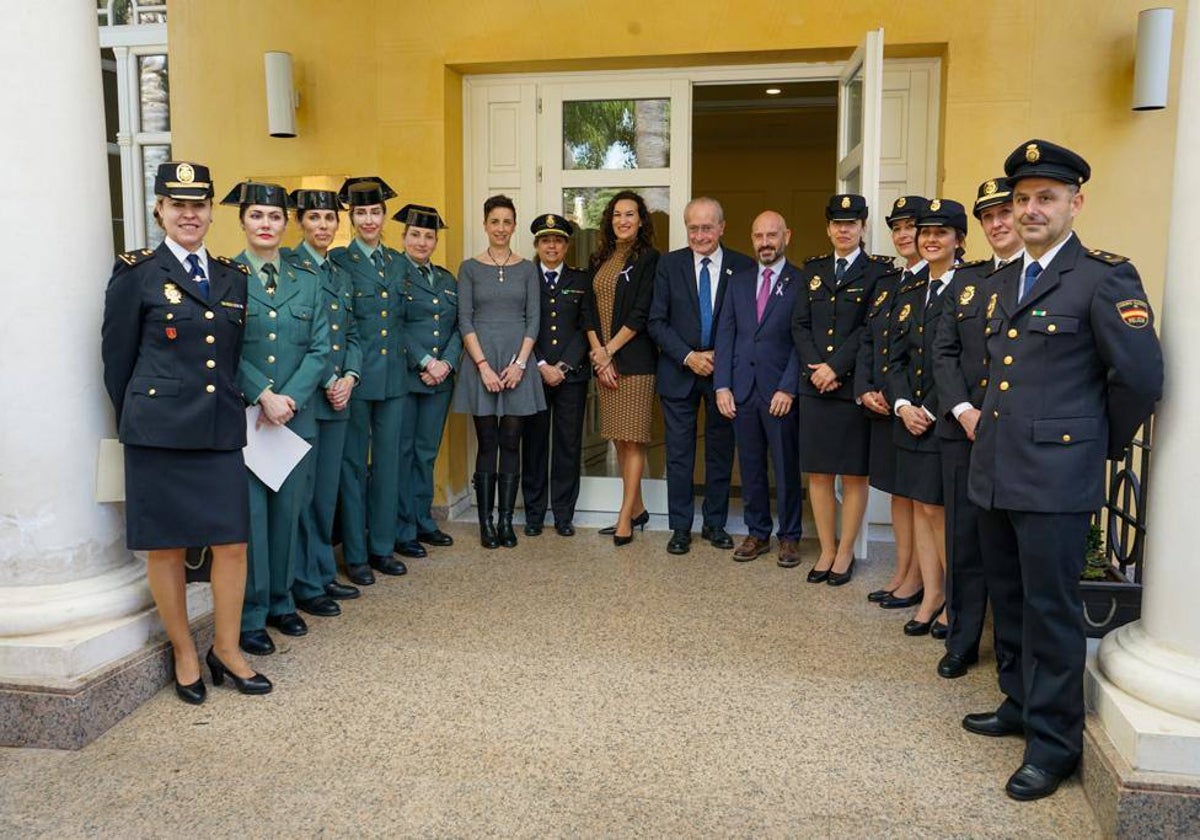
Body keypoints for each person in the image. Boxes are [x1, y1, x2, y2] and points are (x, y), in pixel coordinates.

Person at [964, 140, 1162, 801]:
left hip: (1056, 475)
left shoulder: (1103, 278)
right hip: (996, 468)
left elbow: (1138, 376)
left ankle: (1053, 744)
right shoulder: (1003, 279)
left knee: (1051, 610)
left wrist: (1094, 444)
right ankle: (1020, 704)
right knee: (1010, 599)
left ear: (1076, 203)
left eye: (1045, 198)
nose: (1029, 210)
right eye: (1021, 199)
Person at [102, 161, 271, 702]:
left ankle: (226, 648)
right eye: (178, 205)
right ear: (159, 209)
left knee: (233, 544)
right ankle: (183, 652)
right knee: (167, 549)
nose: (189, 215)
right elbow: (116, 364)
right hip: (157, 432)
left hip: (219, 426)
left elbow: (229, 358)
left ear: (210, 211)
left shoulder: (232, 276)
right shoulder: (136, 274)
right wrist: (138, 422)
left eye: (198, 205)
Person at [225, 181, 329, 655]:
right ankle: (250, 613)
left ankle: (282, 602)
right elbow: (222, 349)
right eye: (257, 217)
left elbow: (321, 348)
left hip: (294, 418)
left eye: (274, 217)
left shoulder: (307, 279)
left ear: (286, 224)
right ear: (243, 222)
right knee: (252, 517)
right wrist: (262, 395)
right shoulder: (226, 277)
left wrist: (288, 398)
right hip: (248, 419)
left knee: (289, 512)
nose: (266, 225)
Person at [931, 179, 1024, 678]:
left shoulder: (1035, 277)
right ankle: (963, 639)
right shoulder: (965, 282)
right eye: (988, 217)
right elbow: (942, 350)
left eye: (1004, 212)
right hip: (962, 432)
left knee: (1009, 548)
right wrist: (964, 411)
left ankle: (1013, 652)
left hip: (1013, 439)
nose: (998, 223)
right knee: (963, 541)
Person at [792, 194, 896, 584]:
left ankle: (847, 551)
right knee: (818, 474)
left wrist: (835, 367)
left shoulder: (878, 274)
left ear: (863, 227)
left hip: (851, 386)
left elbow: (870, 328)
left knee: (854, 475)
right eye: (837, 223)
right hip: (815, 386)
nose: (844, 229)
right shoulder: (813, 270)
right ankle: (827, 549)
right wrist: (816, 368)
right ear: (828, 227)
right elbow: (799, 324)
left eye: (851, 223)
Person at [887, 199, 975, 639]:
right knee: (922, 507)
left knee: (942, 513)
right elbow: (895, 357)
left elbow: (961, 360)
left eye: (942, 232)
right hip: (913, 419)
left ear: (959, 239)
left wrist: (932, 407)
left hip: (947, 420)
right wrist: (902, 405)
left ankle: (954, 600)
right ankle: (931, 593)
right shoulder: (910, 290)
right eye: (925, 232)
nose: (931, 239)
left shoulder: (972, 286)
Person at [648, 197, 754, 555]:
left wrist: (718, 359)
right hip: (680, 372)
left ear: (722, 227)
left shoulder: (743, 267)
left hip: (724, 377)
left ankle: (715, 524)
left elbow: (749, 326)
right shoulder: (669, 265)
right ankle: (680, 527)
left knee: (720, 452)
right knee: (679, 454)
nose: (700, 234)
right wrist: (690, 357)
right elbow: (656, 322)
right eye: (693, 227)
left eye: (707, 227)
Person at [284, 188, 363, 619]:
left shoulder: (340, 273)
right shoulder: (287, 268)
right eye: (314, 218)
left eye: (329, 219)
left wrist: (350, 376)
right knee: (302, 491)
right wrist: (328, 376)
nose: (322, 226)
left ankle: (320, 570)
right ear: (300, 222)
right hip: (305, 398)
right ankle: (301, 580)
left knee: (325, 493)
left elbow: (351, 335)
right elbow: (293, 342)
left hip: (338, 398)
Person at [330, 177, 409, 584]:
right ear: (352, 216)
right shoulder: (341, 262)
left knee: (389, 464)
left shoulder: (397, 262)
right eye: (360, 212)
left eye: (375, 212)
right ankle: (356, 555)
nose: (368, 219)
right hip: (357, 381)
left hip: (394, 378)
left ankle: (382, 546)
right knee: (352, 466)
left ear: (384, 216)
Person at [453, 194, 544, 549]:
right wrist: (483, 367)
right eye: (495, 221)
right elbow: (464, 318)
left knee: (511, 440)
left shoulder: (526, 268)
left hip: (518, 362)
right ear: (485, 224)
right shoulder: (469, 268)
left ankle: (507, 521)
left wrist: (520, 364)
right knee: (487, 440)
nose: (501, 228)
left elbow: (533, 319)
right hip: (482, 361)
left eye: (507, 222)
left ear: (514, 226)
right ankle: (485, 523)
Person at [714, 211, 803, 567]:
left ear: (787, 236)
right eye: (758, 236)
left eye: (772, 235)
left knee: (785, 467)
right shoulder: (738, 282)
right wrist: (722, 385)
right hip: (742, 390)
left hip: (780, 391)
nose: (765, 243)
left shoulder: (801, 282)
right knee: (749, 466)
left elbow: (802, 341)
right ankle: (757, 532)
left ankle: (791, 537)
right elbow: (726, 335)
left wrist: (789, 387)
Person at [857, 196, 924, 607]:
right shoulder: (889, 282)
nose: (903, 235)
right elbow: (870, 340)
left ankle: (919, 577)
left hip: (917, 410)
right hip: (883, 406)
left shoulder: (943, 280)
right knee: (899, 495)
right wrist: (864, 387)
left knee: (921, 499)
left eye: (911, 227)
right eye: (897, 228)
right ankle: (902, 570)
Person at [585, 191, 660, 545]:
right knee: (618, 438)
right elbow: (587, 309)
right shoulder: (600, 257)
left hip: (635, 362)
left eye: (630, 214)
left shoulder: (648, 259)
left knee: (632, 440)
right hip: (604, 361)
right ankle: (638, 509)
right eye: (617, 214)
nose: (623, 220)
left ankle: (623, 517)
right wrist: (598, 353)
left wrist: (610, 351)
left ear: (641, 220)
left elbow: (641, 312)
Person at [393, 204, 461, 553]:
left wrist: (446, 364)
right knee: (402, 453)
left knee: (426, 452)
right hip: (406, 379)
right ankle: (402, 528)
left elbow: (458, 327)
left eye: (428, 236)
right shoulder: (393, 274)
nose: (422, 242)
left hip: (439, 382)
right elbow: (393, 325)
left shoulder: (448, 279)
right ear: (403, 237)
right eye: (415, 235)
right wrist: (424, 361)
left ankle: (423, 519)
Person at [520, 213, 592, 537]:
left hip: (571, 377)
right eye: (546, 240)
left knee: (567, 446)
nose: (552, 245)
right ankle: (534, 514)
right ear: (537, 244)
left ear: (566, 245)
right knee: (534, 445)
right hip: (533, 375)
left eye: (559, 240)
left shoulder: (580, 280)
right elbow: (520, 326)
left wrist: (563, 366)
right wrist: (540, 365)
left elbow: (586, 327)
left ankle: (563, 514)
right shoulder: (525, 278)